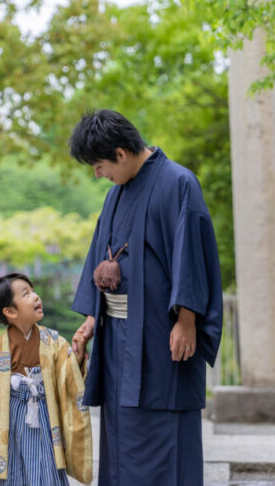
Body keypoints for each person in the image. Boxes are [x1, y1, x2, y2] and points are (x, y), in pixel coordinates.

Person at [68, 110, 223, 486]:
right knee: (122, 434)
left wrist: (187, 320)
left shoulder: (179, 183)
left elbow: (191, 256)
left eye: (100, 165)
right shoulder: (114, 197)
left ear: (121, 153)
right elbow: (101, 260)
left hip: (161, 335)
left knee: (163, 432)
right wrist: (91, 318)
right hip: (118, 337)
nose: (98, 173)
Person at [0, 273, 92, 485]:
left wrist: (76, 358)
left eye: (33, 291)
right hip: (10, 424)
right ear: (10, 312)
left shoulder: (56, 342)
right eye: (26, 294)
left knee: (45, 468)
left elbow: (69, 380)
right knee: (13, 470)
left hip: (45, 419)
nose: (36, 297)